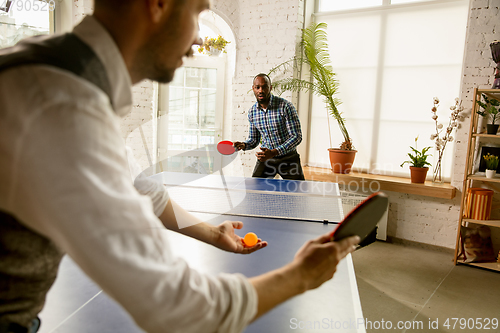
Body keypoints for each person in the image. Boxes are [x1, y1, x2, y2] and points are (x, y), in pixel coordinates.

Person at [0, 1, 360, 333]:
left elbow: (142, 188)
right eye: (197, 14)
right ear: (158, 5)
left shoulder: (53, 72)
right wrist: (300, 277)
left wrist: (212, 234)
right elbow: (177, 308)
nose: (199, 38)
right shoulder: (62, 105)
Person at [234, 74, 306, 180]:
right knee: (254, 192)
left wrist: (274, 152)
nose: (261, 90)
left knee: (297, 194)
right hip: (266, 159)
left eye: (265, 87)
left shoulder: (286, 106)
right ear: (253, 88)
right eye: (257, 87)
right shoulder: (252, 112)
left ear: (270, 88)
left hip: (289, 159)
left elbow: (296, 137)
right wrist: (243, 145)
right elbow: (254, 140)